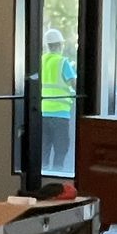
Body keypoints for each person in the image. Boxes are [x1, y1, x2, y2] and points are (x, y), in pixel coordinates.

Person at [39, 25, 76, 173]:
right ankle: (57, 177)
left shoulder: (40, 61)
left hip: (42, 113)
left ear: (47, 46)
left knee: (44, 149)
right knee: (61, 149)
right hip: (60, 114)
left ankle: (44, 174)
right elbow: (74, 83)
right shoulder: (62, 62)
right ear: (60, 45)